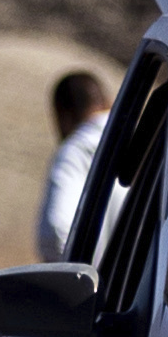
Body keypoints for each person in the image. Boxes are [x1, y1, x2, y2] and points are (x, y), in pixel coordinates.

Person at [33, 67, 110, 262]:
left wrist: (84, 279)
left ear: (64, 117)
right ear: (108, 102)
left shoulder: (76, 150)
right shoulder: (146, 140)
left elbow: (55, 233)